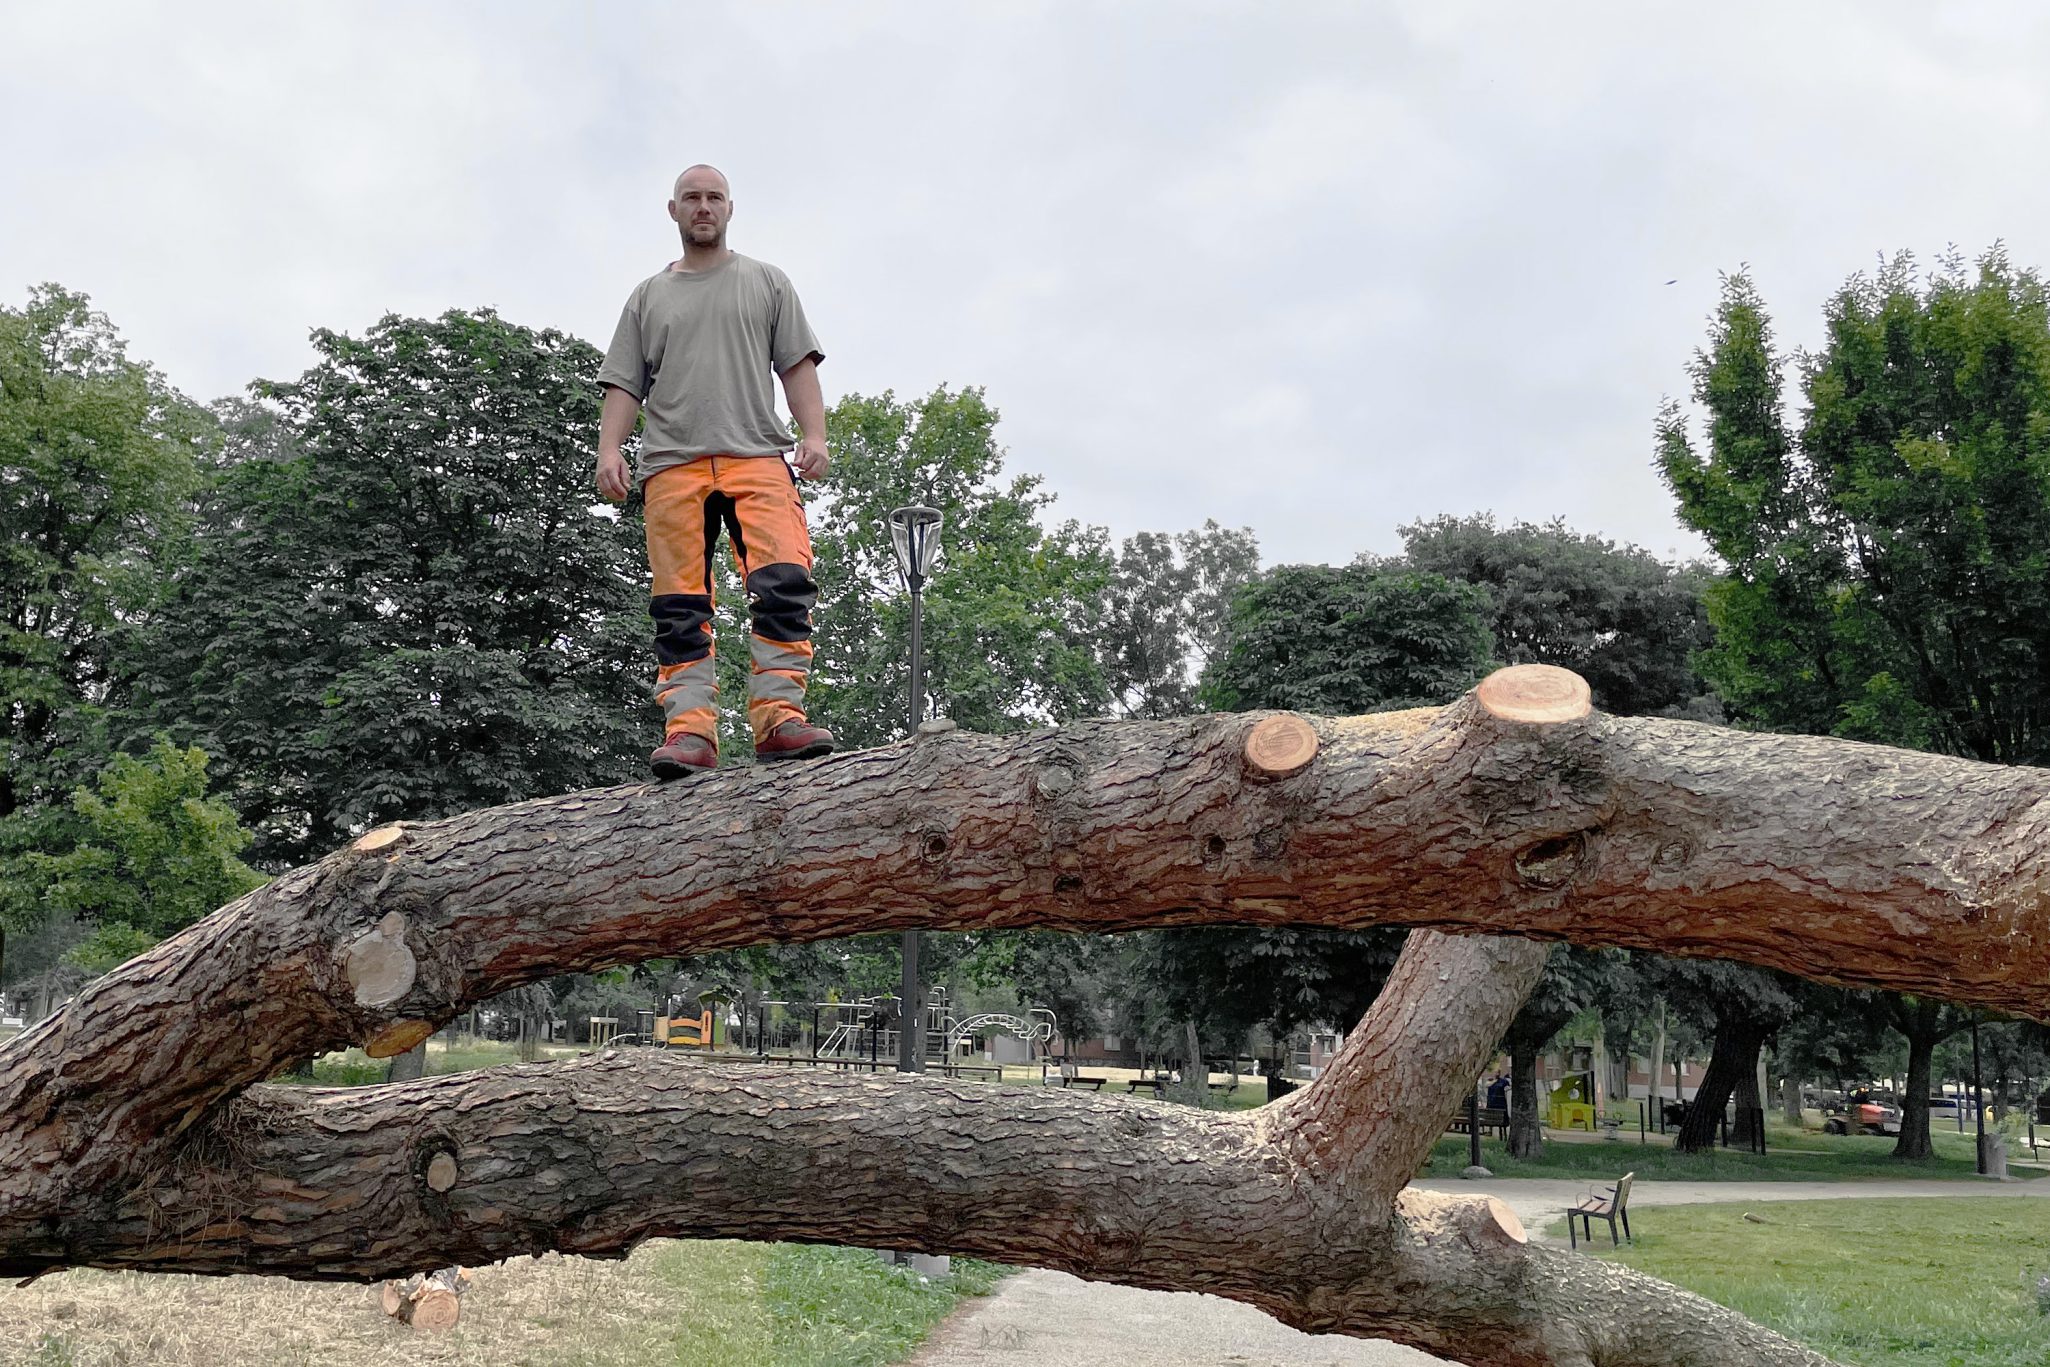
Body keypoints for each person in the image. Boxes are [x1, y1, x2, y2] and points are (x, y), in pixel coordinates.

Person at [596, 164, 837, 779]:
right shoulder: (648, 296)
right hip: (672, 464)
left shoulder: (766, 282)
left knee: (784, 583)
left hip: (756, 454)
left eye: (714, 197)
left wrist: (815, 436)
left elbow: (797, 365)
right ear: (672, 210)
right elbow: (624, 382)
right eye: (692, 198)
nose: (703, 207)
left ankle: (780, 718)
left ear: (730, 209)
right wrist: (609, 450)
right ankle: (690, 732)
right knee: (678, 604)